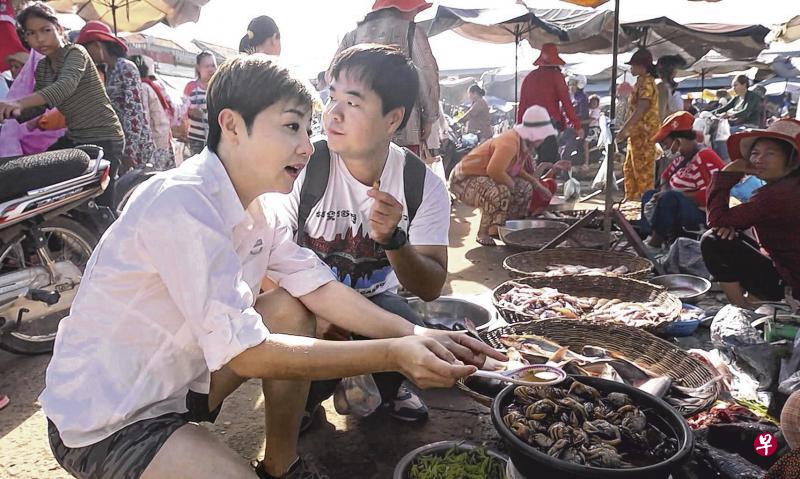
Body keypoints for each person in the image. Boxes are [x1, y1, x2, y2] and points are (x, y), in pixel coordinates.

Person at [39, 53, 501, 479]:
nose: (307, 145)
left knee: (290, 308)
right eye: (292, 127)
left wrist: (415, 335)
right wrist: (393, 353)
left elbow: (317, 285)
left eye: (307, 128)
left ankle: (282, 463)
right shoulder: (181, 203)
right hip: (110, 418)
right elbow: (246, 353)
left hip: (178, 385)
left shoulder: (264, 208)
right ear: (232, 126)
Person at [271, 44, 453, 425]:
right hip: (312, 305)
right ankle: (303, 403)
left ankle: (390, 390)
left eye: (352, 103)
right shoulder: (304, 166)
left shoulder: (421, 184)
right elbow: (267, 262)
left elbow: (431, 287)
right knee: (292, 323)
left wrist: (394, 241)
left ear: (393, 119)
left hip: (374, 310)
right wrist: (317, 314)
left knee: (400, 314)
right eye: (332, 96)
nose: (331, 113)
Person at [0, 3, 123, 204]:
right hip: (74, 137)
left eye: (45, 30)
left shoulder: (76, 53)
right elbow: (40, 106)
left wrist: (18, 103)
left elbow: (62, 88)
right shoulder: (43, 66)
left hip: (104, 136)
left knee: (101, 203)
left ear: (58, 29)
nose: (39, 39)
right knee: (39, 181)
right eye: (31, 33)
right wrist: (8, 115)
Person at [701, 119, 800, 309]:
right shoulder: (789, 186)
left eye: (770, 153)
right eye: (755, 153)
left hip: (792, 281)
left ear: (793, 161)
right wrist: (730, 225)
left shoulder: (778, 195)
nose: (758, 160)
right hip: (788, 267)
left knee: (713, 240)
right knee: (728, 232)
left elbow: (716, 218)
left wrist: (727, 173)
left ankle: (743, 308)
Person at [333, 0, 440, 155]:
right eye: (415, 10)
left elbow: (333, 75)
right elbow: (427, 75)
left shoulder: (352, 35)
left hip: (357, 129)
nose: (416, 14)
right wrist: (429, 118)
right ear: (403, 8)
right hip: (403, 129)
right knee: (400, 175)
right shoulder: (411, 31)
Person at [450, 105, 565, 246]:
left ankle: (503, 227)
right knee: (501, 190)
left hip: (481, 177)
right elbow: (494, 171)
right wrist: (512, 186)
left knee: (525, 187)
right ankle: (483, 232)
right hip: (462, 180)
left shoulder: (522, 145)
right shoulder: (510, 142)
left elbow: (515, 170)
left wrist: (536, 185)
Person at [640, 111, 725, 249]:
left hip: (702, 217)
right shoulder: (681, 159)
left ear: (678, 141)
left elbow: (715, 194)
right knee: (649, 195)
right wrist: (663, 190)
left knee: (670, 197)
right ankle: (648, 236)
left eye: (667, 144)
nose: (667, 149)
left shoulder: (706, 157)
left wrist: (675, 196)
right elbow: (665, 176)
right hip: (676, 206)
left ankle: (654, 244)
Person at [77, 20, 155, 171]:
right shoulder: (108, 71)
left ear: (97, 45)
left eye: (86, 49)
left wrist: (129, 152)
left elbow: (134, 113)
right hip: (119, 144)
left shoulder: (126, 67)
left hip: (135, 146)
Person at [618, 48, 661, 202]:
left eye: (633, 65)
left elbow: (641, 109)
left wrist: (624, 129)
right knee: (630, 169)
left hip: (644, 135)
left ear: (641, 66)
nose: (631, 68)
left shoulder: (647, 82)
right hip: (636, 135)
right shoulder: (641, 81)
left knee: (643, 173)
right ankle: (631, 201)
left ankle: (644, 205)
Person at [517, 43, 582, 140]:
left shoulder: (529, 77)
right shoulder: (557, 77)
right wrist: (577, 125)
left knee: (533, 154)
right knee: (549, 154)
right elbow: (566, 102)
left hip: (529, 125)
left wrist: (519, 126)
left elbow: (522, 105)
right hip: (549, 124)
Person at [131, 55, 174, 170]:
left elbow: (145, 118)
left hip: (155, 143)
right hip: (162, 139)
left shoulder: (142, 88)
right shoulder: (150, 86)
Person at [183, 51, 217, 155]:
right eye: (207, 66)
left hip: (214, 139)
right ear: (198, 68)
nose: (211, 69)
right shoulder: (191, 87)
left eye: (213, 65)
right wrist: (190, 111)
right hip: (195, 139)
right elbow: (182, 110)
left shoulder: (218, 87)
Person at [656, 54, 685, 121]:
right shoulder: (662, 87)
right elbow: (661, 114)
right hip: (668, 127)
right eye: (675, 69)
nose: (676, 72)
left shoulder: (668, 88)